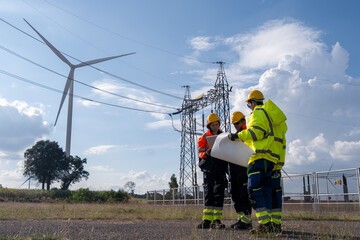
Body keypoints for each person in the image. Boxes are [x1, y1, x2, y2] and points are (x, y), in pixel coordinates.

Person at [228, 90, 287, 234]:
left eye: (249, 104)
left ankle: (265, 225)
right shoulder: (275, 119)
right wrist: (279, 162)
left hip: (259, 157)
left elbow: (256, 133)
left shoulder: (259, 113)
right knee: (271, 192)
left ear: (253, 102)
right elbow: (281, 142)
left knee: (255, 191)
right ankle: (274, 225)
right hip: (272, 160)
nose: (249, 107)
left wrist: (238, 136)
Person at [197, 113, 228, 229]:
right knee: (209, 193)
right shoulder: (204, 138)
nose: (215, 127)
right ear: (209, 126)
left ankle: (217, 220)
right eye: (213, 125)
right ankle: (206, 221)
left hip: (220, 169)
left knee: (219, 194)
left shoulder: (223, 136)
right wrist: (206, 153)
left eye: (217, 124)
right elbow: (200, 153)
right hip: (209, 169)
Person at [228, 111, 252, 230]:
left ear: (243, 121)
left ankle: (247, 222)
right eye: (234, 124)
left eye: (237, 123)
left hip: (243, 170)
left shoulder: (247, 133)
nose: (236, 125)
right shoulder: (235, 136)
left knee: (244, 196)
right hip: (234, 171)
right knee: (235, 195)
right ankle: (241, 220)